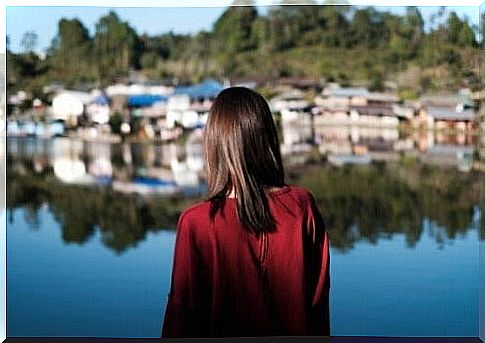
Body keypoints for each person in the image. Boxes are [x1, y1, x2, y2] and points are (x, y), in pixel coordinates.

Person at [161, 87, 330, 338]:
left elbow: (181, 320)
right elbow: (318, 305)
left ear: (215, 145)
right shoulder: (301, 206)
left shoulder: (197, 224)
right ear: (268, 139)